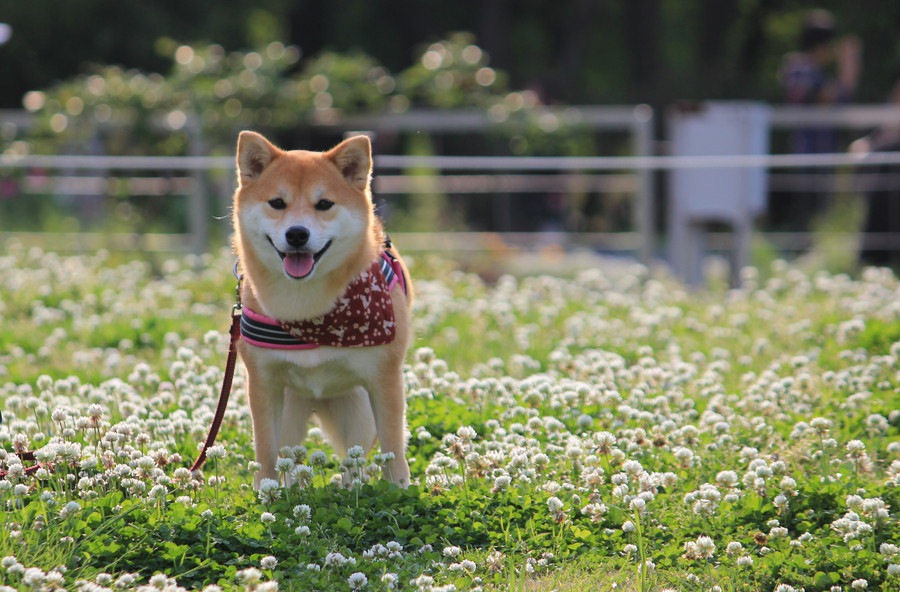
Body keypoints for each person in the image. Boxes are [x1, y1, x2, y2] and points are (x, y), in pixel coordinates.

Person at [775, 9, 862, 230]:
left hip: (810, 149)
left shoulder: (796, 67)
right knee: (809, 211)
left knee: (812, 209)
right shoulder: (802, 69)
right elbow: (831, 99)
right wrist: (848, 70)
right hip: (811, 151)